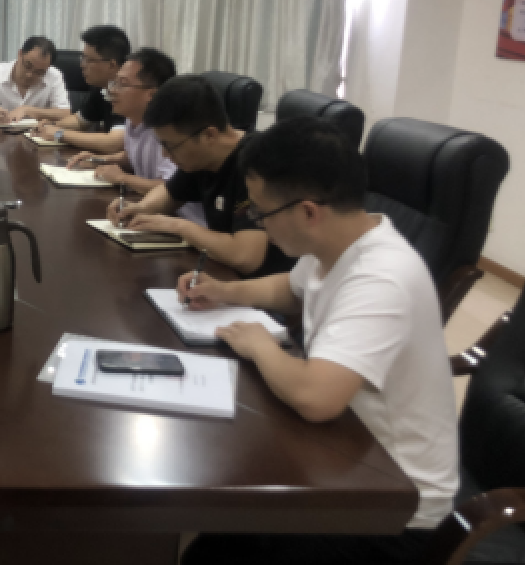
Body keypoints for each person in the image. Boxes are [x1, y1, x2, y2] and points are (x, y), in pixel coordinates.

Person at [178, 117, 458, 565]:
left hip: (391, 505)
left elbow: (316, 398)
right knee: (219, 528)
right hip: (345, 449)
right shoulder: (339, 243)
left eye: (261, 212)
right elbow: (291, 288)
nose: (258, 223)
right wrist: (224, 291)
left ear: (308, 211)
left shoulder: (382, 277)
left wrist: (260, 345)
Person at [109, 75, 292, 277]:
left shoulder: (256, 164)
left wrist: (179, 226)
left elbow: (246, 257)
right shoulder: (201, 159)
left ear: (209, 136)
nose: (165, 154)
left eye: (170, 146)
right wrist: (139, 209)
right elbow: (169, 193)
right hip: (222, 276)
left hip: (265, 288)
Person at [64, 48, 177, 196]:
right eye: (115, 83)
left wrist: (123, 178)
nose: (112, 90)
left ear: (152, 94)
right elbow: (133, 157)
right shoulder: (133, 119)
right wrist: (100, 160)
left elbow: (172, 188)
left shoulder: (170, 130)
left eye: (122, 84)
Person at [35, 25, 129, 152]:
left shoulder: (128, 92)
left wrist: (59, 134)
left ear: (111, 65)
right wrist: (51, 125)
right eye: (83, 58)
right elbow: (80, 121)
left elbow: (114, 143)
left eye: (89, 60)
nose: (82, 65)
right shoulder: (103, 87)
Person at [0, 36, 70, 125]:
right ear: (20, 54)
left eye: (39, 72)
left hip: (37, 138)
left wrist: (27, 110)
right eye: (27, 66)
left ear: (48, 68)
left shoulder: (54, 76)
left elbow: (65, 114)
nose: (30, 75)